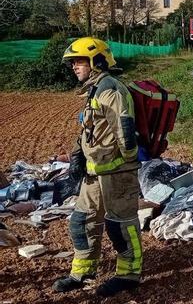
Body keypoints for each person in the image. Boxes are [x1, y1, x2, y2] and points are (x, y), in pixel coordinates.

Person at [53, 37, 142, 298]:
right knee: (82, 222)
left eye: (79, 61)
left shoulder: (111, 89)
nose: (74, 67)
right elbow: (89, 128)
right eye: (73, 62)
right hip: (95, 173)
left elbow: (124, 129)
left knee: (121, 226)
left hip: (117, 174)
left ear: (97, 61)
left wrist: (126, 163)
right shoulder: (95, 89)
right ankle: (82, 272)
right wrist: (77, 157)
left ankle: (129, 275)